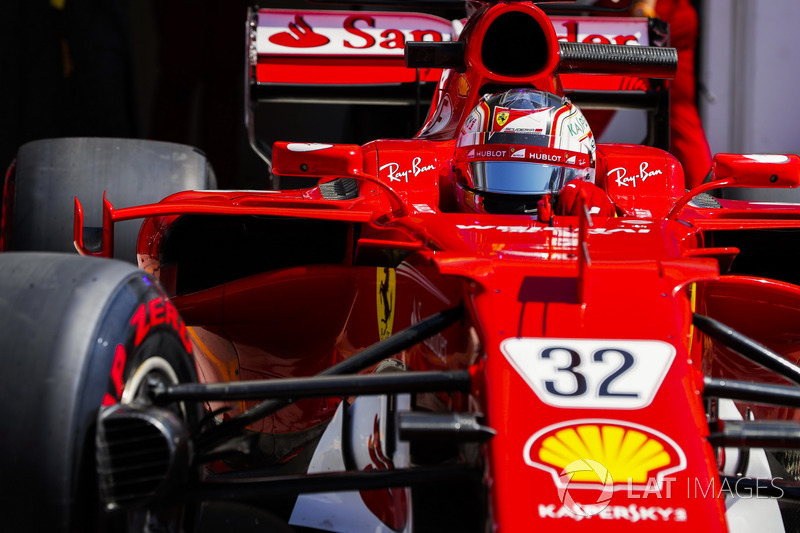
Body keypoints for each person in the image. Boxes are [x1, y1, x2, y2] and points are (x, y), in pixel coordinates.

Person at [452, 88, 615, 218]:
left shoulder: (588, 205)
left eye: (534, 176)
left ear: (584, 174)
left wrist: (605, 221)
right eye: (501, 174)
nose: (512, 197)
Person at [631, 0, 712, 188]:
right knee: (680, 113)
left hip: (648, 13)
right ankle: (705, 197)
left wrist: (645, 4)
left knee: (580, 105)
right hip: (662, 12)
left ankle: (705, 198)